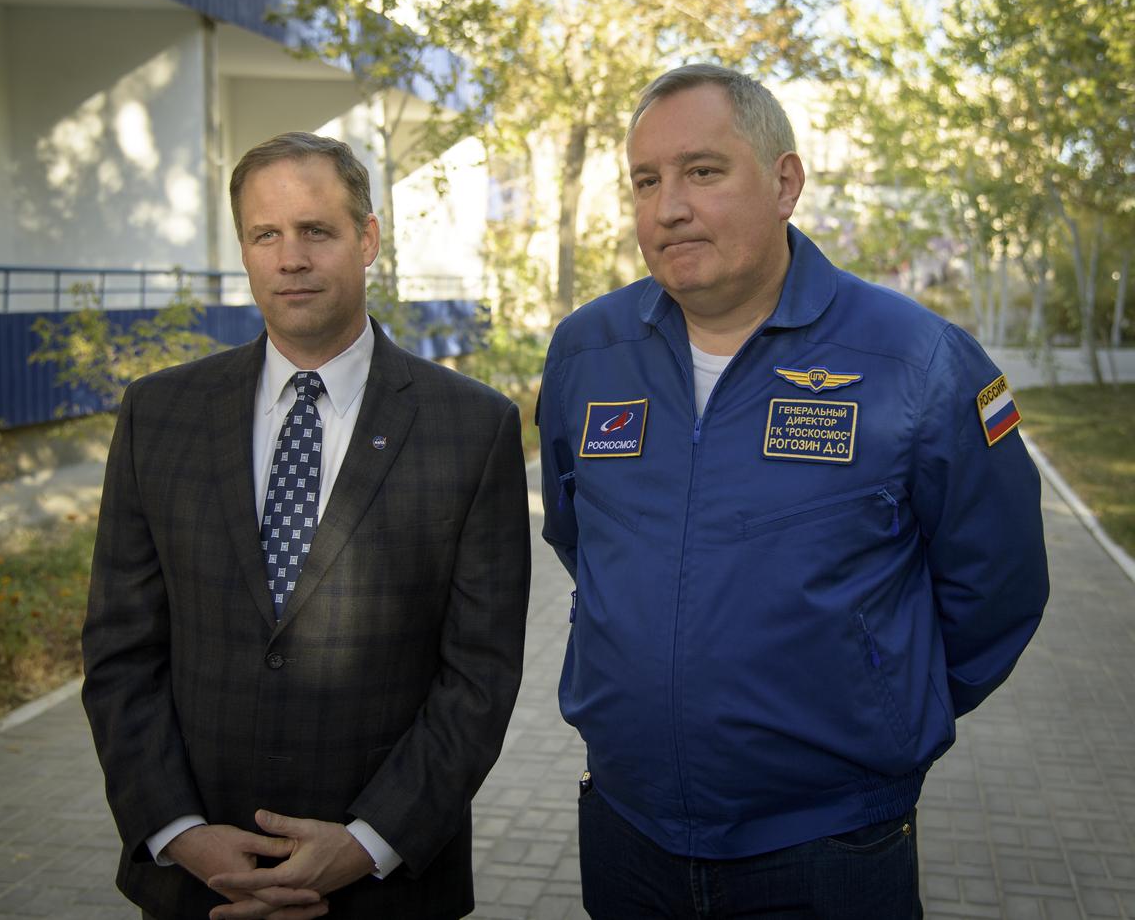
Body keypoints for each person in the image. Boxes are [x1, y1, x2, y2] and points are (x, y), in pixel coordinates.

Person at [536, 64, 1049, 918]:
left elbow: (998, 586)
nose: (668, 208)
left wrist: (880, 703)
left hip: (829, 848)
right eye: (646, 181)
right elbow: (576, 536)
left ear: (785, 183)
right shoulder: (588, 352)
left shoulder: (915, 362)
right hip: (627, 828)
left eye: (702, 172)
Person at [82, 131, 531, 920]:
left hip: (386, 889)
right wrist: (180, 830)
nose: (291, 257)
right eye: (267, 234)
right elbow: (120, 651)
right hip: (198, 882)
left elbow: (479, 676)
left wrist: (366, 842)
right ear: (246, 252)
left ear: (368, 241)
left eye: (317, 231)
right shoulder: (158, 415)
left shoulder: (474, 428)